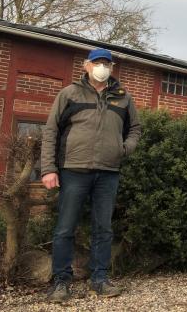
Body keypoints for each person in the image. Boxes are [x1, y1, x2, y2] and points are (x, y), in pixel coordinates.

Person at [41, 48, 141, 302]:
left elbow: (135, 129)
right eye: (97, 62)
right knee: (65, 228)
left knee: (103, 229)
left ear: (112, 67)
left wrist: (124, 149)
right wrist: (49, 169)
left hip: (108, 172)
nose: (102, 67)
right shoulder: (69, 93)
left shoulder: (123, 97)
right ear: (86, 65)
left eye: (107, 63)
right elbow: (51, 130)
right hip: (73, 170)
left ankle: (100, 279)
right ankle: (61, 282)